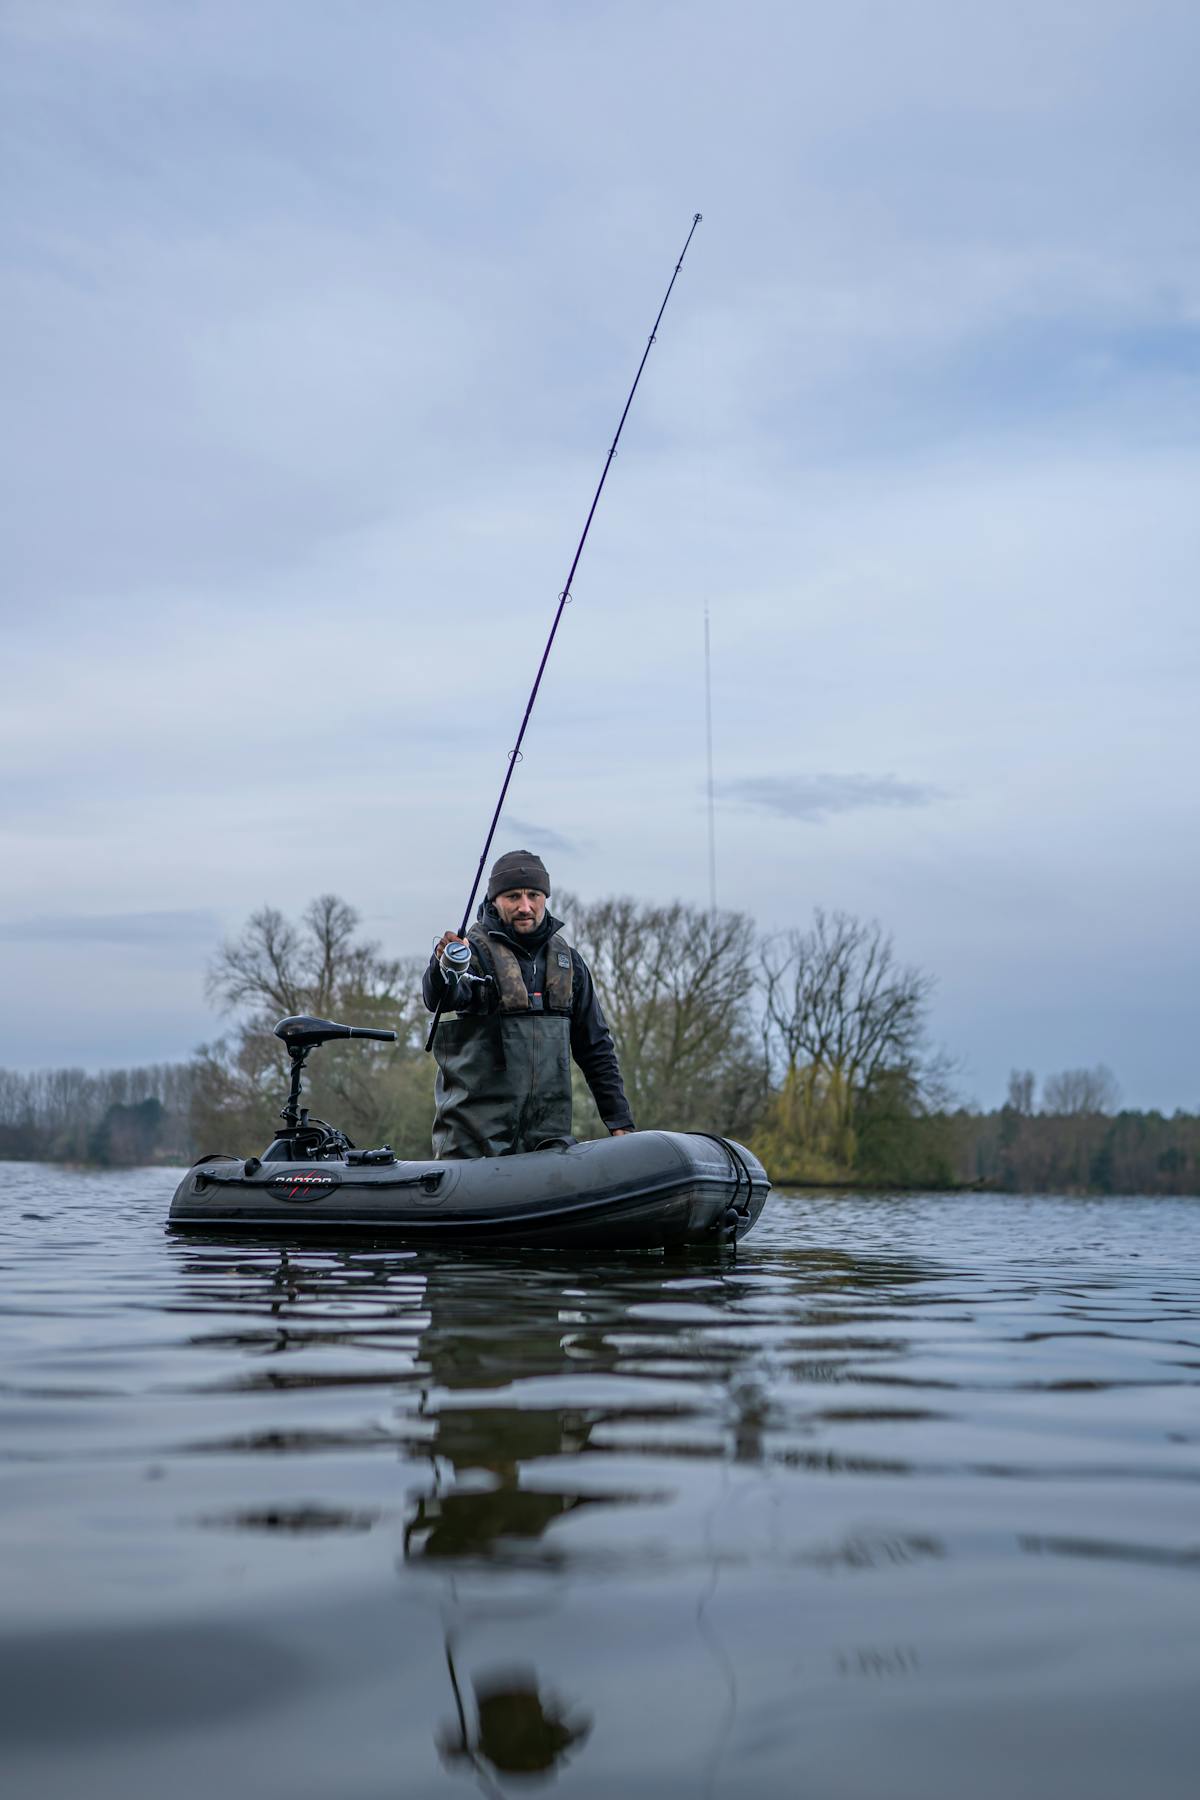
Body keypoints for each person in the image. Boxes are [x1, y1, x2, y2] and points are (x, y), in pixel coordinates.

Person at [423, 849, 634, 1159]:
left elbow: (596, 1048)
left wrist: (620, 1122)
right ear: (495, 900)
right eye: (513, 896)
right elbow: (439, 997)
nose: (525, 906)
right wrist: (444, 966)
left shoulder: (569, 962)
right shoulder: (474, 953)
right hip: (475, 1144)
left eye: (533, 895)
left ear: (544, 898)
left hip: (548, 1140)